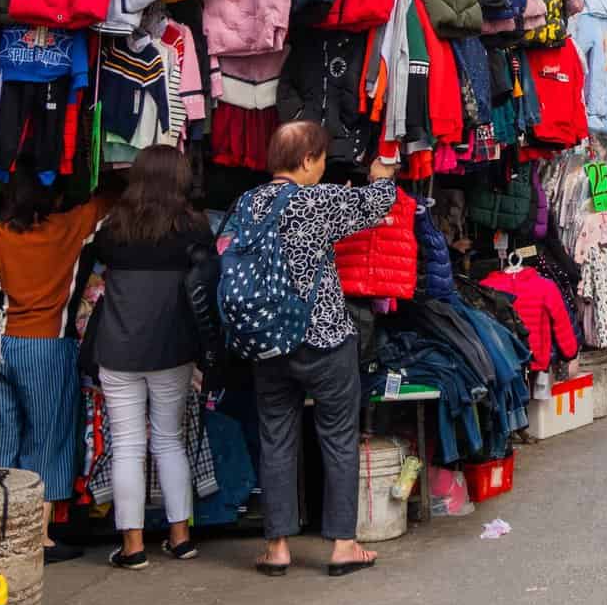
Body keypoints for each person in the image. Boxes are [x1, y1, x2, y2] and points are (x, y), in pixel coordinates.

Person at [243, 120, 400, 579]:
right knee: (338, 437)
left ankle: (276, 547)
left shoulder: (247, 205)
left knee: (276, 438)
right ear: (308, 161)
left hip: (267, 340)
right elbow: (375, 206)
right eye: (321, 160)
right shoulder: (316, 200)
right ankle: (343, 544)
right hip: (323, 337)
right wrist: (381, 176)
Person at [0, 174, 113, 563]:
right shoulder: (69, 227)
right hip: (48, 346)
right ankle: (39, 536)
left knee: (3, 436)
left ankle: (3, 530)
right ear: (56, 196)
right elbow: (108, 198)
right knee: (48, 439)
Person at [85, 145, 219, 570]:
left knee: (127, 445)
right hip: (173, 347)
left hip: (118, 345)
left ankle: (133, 546)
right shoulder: (193, 227)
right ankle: (180, 538)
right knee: (168, 441)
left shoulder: (113, 227)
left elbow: (91, 270)